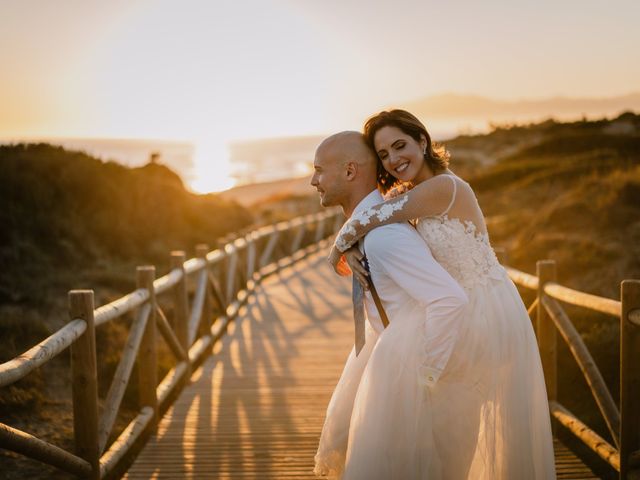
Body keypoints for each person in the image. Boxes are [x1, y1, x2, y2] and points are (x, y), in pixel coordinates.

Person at [326, 110, 556, 479]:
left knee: (457, 423)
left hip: (479, 307)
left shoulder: (444, 188)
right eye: (384, 154)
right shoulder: (416, 191)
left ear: (422, 140)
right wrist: (355, 247)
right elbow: (375, 220)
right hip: (461, 302)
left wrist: (338, 248)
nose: (394, 159)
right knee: (455, 424)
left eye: (400, 145)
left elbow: (371, 217)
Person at [311, 131, 479, 479]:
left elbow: (448, 301)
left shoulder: (384, 235)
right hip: (389, 355)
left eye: (318, 170)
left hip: (420, 377)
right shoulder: (372, 227)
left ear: (350, 171)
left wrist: (426, 377)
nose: (313, 181)